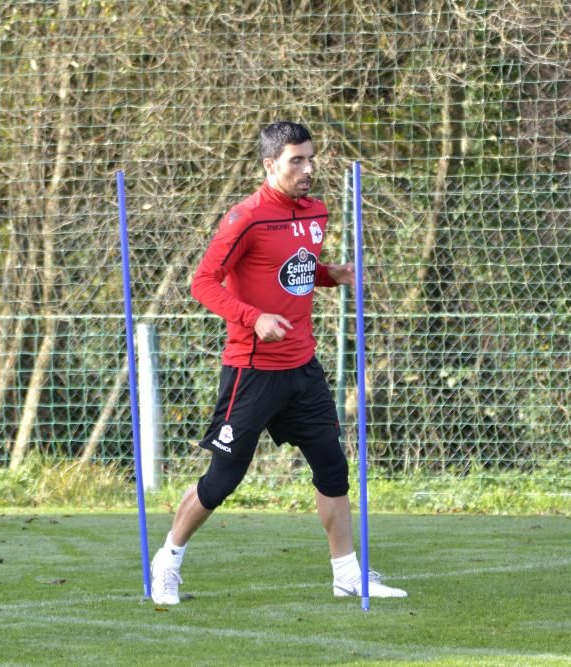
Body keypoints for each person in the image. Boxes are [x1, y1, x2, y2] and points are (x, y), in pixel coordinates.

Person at [149, 121, 407, 605]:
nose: (308, 169)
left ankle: (346, 574)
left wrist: (332, 274)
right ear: (270, 165)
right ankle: (168, 559)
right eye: (297, 160)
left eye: (311, 158)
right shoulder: (244, 218)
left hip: (303, 369)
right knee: (224, 478)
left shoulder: (316, 212)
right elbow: (202, 282)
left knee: (332, 469)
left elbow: (295, 271)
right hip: (252, 370)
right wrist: (253, 317)